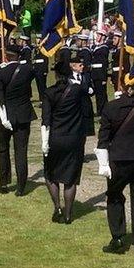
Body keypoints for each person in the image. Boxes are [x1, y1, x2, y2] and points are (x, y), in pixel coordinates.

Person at [96, 83, 134, 256]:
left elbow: (103, 136)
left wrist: (103, 163)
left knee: (114, 197)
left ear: (120, 86)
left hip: (120, 160)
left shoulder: (111, 107)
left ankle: (117, 237)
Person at [41, 56, 92, 224]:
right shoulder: (78, 90)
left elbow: (46, 120)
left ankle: (57, 207)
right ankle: (69, 214)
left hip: (55, 138)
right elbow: (86, 111)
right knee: (71, 178)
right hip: (74, 139)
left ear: (56, 75)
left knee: (50, 174)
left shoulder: (49, 92)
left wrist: (44, 143)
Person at [0, 45, 37, 195]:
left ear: (6, 57)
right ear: (18, 56)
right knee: (21, 151)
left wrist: (4, 119)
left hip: (5, 115)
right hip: (23, 114)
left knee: (3, 149)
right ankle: (21, 186)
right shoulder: (27, 70)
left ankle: (4, 183)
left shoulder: (0, 73)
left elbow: (0, 99)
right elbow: (32, 68)